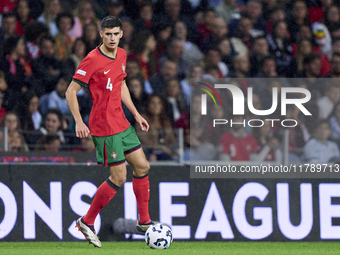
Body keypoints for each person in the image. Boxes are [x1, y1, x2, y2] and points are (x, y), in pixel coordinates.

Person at [66, 16, 154, 248]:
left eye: (116, 33)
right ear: (101, 34)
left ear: (121, 34)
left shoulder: (122, 55)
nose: (112, 38)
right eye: (108, 34)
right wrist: (78, 121)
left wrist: (135, 114)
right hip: (104, 126)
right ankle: (86, 221)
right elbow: (70, 91)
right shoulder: (92, 60)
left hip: (122, 122)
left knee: (143, 166)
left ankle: (144, 222)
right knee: (119, 177)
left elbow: (121, 84)